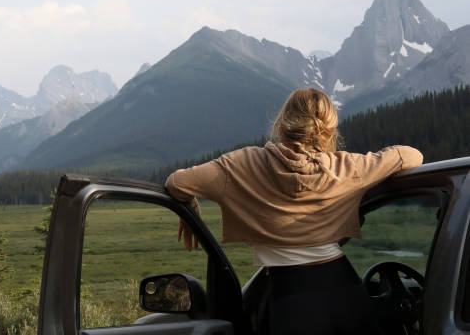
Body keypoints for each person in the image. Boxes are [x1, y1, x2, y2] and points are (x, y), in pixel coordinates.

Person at [165, 88, 423, 335]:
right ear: (328, 131)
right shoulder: (346, 167)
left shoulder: (242, 165)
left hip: (291, 300)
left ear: (281, 124)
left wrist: (190, 204)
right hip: (346, 290)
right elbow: (411, 156)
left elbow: (176, 183)